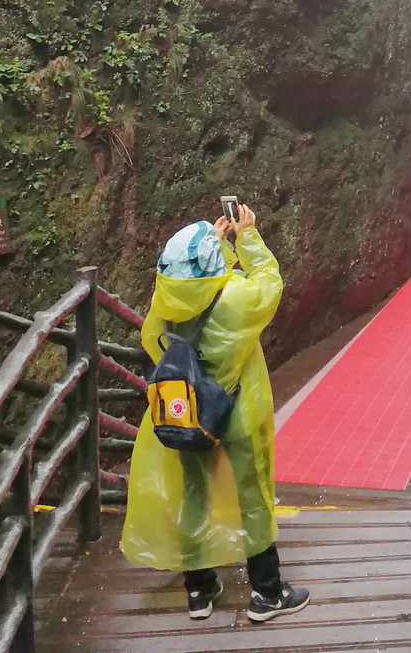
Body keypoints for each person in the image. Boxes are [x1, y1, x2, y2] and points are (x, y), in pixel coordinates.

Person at [120, 203, 310, 622]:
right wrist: (247, 238)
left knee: (193, 497)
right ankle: (267, 593)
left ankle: (200, 591)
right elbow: (269, 283)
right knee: (253, 498)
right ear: (212, 263)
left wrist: (215, 249)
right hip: (239, 415)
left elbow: (154, 338)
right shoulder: (236, 301)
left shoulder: (166, 302)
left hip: (187, 415)